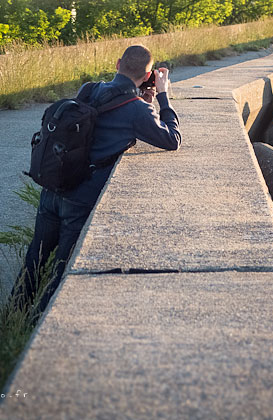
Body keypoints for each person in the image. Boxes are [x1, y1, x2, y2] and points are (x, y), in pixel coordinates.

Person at [10, 44, 181, 316]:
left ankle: (12, 318)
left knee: (35, 258)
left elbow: (96, 125)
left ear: (117, 64)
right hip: (82, 198)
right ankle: (37, 327)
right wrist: (162, 97)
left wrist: (143, 101)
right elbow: (172, 140)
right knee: (62, 269)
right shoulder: (137, 110)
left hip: (54, 188)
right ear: (148, 74)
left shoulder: (88, 89)